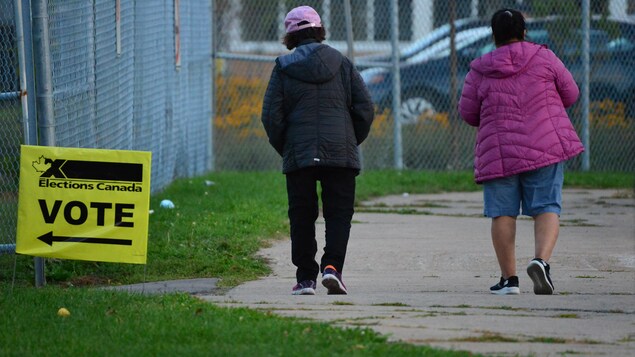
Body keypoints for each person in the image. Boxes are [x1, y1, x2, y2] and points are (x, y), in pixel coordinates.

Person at [458, 9, 584, 295]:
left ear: (494, 36)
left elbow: (467, 113)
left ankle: (509, 280)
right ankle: (541, 261)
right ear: (524, 32)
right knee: (547, 206)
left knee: (502, 212)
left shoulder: (480, 68)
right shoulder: (545, 57)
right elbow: (571, 94)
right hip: (545, 144)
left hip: (499, 150)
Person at [261, 6, 374, 295]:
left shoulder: (283, 68)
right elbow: (364, 109)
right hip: (340, 152)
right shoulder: (343, 63)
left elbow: (271, 116)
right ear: (319, 30)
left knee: (302, 214)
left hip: (299, 153)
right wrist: (350, 141)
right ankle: (332, 268)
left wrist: (287, 147)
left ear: (290, 36)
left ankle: (305, 279)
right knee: (338, 214)